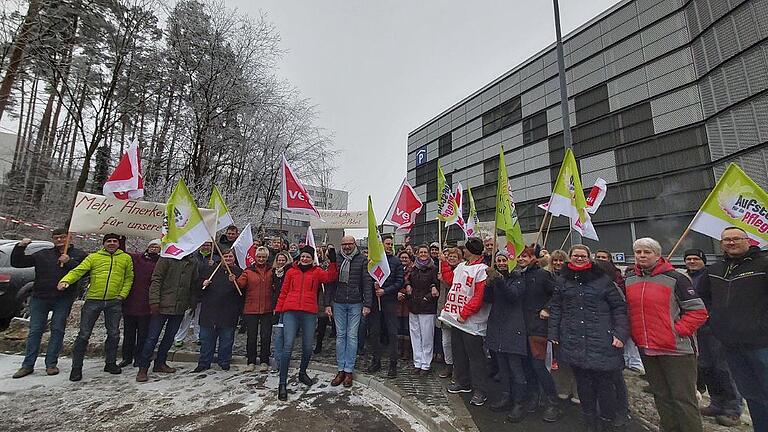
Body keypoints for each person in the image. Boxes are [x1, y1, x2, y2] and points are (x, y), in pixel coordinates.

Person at [626, 237, 707, 432]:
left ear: (657, 255)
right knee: (661, 395)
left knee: (683, 398)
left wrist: (677, 331)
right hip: (648, 348)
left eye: (647, 252)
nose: (642, 256)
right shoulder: (630, 280)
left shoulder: (676, 278)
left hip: (675, 349)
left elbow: (698, 312)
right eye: (638, 252)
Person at [549, 245, 629, 431]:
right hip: (573, 339)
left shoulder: (603, 280)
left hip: (601, 339)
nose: (579, 258)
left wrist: (620, 334)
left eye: (582, 256)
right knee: (584, 385)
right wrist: (553, 333)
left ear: (589, 258)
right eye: (575, 255)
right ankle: (589, 421)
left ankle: (607, 420)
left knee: (604, 385)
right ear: (570, 258)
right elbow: (557, 308)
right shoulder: (562, 281)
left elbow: (619, 308)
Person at [700, 227, 768, 431]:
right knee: (751, 394)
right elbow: (703, 299)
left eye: (736, 238)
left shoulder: (763, 264)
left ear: (748, 241)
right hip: (731, 344)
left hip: (761, 343)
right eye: (726, 240)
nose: (731, 243)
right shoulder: (715, 270)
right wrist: (715, 322)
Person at [57, 233, 134, 382]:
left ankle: (110, 363)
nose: (111, 243)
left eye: (114, 241)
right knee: (84, 334)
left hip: (114, 301)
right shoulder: (94, 257)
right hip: (94, 300)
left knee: (114, 334)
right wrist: (66, 280)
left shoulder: (125, 258)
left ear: (118, 244)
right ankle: (76, 368)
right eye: (108, 241)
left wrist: (122, 295)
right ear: (103, 243)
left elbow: (129, 278)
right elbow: (79, 270)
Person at [10, 229, 86, 378]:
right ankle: (27, 365)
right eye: (56, 238)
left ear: (69, 238)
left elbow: (84, 272)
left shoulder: (79, 254)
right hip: (40, 297)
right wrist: (20, 247)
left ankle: (51, 364)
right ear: (52, 239)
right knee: (35, 331)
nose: (60, 240)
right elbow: (18, 262)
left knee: (57, 330)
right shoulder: (43, 254)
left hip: (63, 298)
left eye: (63, 237)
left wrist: (69, 262)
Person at [685, 248, 743, 427]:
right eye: (688, 259)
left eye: (696, 259)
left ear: (703, 260)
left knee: (723, 368)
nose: (692, 262)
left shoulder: (710, 276)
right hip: (696, 329)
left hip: (714, 328)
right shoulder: (685, 278)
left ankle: (733, 408)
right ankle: (716, 402)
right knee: (706, 367)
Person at [275, 245, 338, 401]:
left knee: (308, 346)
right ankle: (282, 383)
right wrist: (279, 309)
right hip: (290, 311)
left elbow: (331, 276)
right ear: (299, 257)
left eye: (308, 257)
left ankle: (302, 372)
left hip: (309, 312)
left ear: (312, 259)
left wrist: (333, 261)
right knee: (288, 345)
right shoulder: (291, 272)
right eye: (302, 256)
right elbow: (284, 291)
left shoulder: (317, 272)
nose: (304, 259)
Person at [439, 237, 491, 406]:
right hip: (457, 320)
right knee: (459, 352)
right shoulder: (462, 266)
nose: (463, 251)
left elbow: (479, 296)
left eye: (466, 249)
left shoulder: (482, 270)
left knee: (476, 357)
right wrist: (444, 264)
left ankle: (480, 390)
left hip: (471, 322)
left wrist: (466, 312)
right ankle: (463, 382)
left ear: (471, 251)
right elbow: (451, 281)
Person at [136, 250, 200, 382]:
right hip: (162, 305)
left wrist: (192, 301)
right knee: (152, 337)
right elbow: (156, 280)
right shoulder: (166, 258)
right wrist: (154, 301)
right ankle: (143, 368)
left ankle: (160, 363)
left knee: (169, 337)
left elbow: (193, 284)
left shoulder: (192, 262)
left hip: (180, 306)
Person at [519, 245, 561, 422]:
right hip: (521, 326)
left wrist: (547, 308)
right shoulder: (518, 275)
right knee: (527, 365)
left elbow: (558, 294)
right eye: (519, 256)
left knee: (539, 366)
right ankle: (534, 396)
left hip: (538, 327)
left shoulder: (543, 275)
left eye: (525, 256)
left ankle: (552, 402)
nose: (521, 259)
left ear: (532, 258)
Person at [485, 252, 528, 422]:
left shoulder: (519, 278)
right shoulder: (497, 279)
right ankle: (505, 396)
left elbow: (512, 296)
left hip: (513, 328)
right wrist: (488, 285)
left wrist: (498, 280)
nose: (501, 263)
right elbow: (488, 299)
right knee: (502, 367)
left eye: (504, 260)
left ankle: (519, 402)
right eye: (499, 261)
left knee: (516, 369)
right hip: (497, 326)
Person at [324, 236, 372, 386]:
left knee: (352, 336)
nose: (346, 247)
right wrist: (327, 304)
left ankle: (349, 370)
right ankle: (340, 370)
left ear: (355, 244)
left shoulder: (362, 260)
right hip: (338, 302)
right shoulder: (336, 259)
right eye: (344, 244)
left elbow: (366, 283)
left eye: (349, 244)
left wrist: (367, 304)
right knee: (340, 336)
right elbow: (330, 283)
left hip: (355, 302)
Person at [194, 250, 243, 372]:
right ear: (220, 258)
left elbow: (242, 292)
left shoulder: (238, 272)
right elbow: (197, 287)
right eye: (225, 256)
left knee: (226, 340)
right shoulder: (210, 270)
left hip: (228, 311)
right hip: (209, 311)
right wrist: (202, 283)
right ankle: (204, 362)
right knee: (206, 340)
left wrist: (234, 282)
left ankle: (224, 361)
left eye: (230, 256)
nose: (228, 258)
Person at [366, 234, 405, 377]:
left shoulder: (396, 262)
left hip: (389, 301)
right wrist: (373, 285)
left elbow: (399, 281)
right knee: (375, 332)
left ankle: (393, 365)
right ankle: (376, 361)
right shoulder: (373, 261)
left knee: (392, 333)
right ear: (381, 245)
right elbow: (367, 279)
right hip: (376, 302)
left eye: (391, 244)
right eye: (387, 243)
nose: (389, 246)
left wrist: (385, 290)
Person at [120, 239, 161, 368]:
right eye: (152, 246)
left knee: (143, 334)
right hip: (131, 301)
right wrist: (121, 239)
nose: (154, 249)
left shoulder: (161, 263)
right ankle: (126, 357)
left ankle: (139, 357)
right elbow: (123, 253)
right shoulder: (137, 258)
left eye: (157, 247)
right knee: (129, 333)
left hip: (147, 303)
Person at [237, 246, 274, 372]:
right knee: (251, 337)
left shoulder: (271, 271)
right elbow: (241, 284)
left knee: (266, 336)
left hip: (267, 308)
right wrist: (234, 281)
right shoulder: (248, 271)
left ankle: (264, 360)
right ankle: (251, 361)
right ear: (255, 257)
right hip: (251, 308)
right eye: (259, 256)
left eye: (264, 257)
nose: (261, 259)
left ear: (267, 258)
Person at [174, 242, 218, 347]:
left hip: (207, 291)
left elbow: (217, 272)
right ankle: (179, 337)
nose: (206, 246)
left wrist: (213, 266)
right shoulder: (193, 257)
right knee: (187, 315)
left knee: (200, 315)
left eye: (208, 245)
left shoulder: (215, 258)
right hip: (193, 290)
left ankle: (198, 336)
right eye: (204, 244)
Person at [405, 244, 440, 375]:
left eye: (425, 252)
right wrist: (408, 285)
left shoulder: (434, 269)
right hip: (414, 305)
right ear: (417, 253)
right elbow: (407, 279)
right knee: (415, 335)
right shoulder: (414, 268)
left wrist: (428, 297)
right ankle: (417, 361)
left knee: (426, 337)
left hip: (427, 306)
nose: (423, 254)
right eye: (421, 252)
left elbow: (437, 286)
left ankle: (426, 363)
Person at [436, 248, 461, 379]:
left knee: (456, 342)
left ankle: (458, 367)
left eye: (454, 257)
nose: (451, 258)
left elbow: (452, 283)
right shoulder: (441, 268)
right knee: (445, 342)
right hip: (444, 308)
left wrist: (443, 279)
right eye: (449, 256)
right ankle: (449, 364)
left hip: (456, 311)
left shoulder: (461, 270)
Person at [270, 251, 293, 372]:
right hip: (276, 307)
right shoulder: (273, 273)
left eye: (283, 260)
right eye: (279, 260)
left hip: (288, 307)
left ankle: (285, 361)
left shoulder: (290, 272)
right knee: (278, 336)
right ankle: (278, 361)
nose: (281, 262)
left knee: (287, 336)